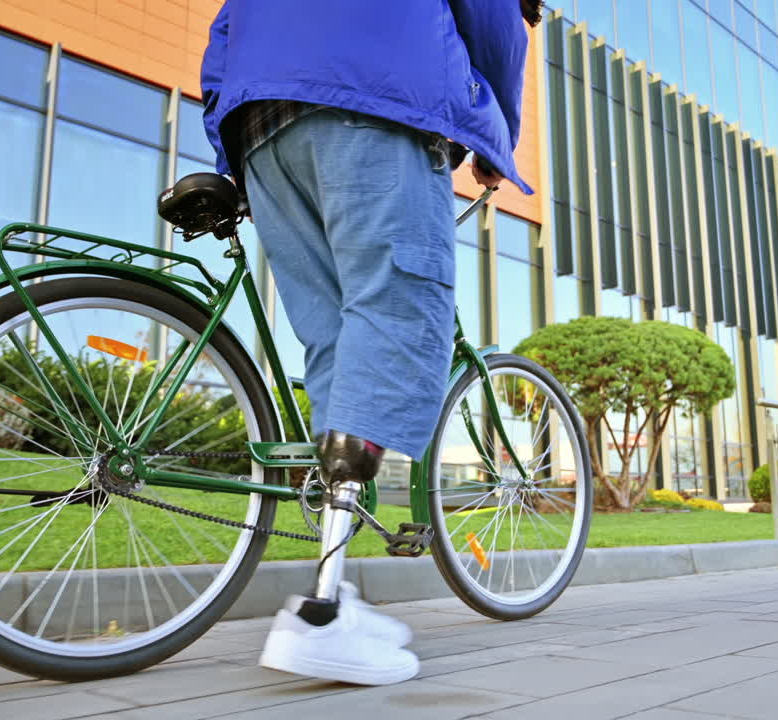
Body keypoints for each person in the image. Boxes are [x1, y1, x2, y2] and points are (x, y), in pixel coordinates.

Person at [199, 0, 541, 686]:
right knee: (398, 310)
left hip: (260, 126)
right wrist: (495, 138)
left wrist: (226, 142)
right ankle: (320, 618)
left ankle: (338, 587)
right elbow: (496, 25)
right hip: (377, 95)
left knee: (337, 342)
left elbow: (224, 33)